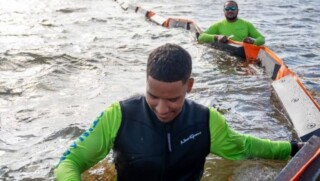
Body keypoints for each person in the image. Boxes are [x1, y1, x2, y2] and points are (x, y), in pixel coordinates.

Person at [54, 43, 302, 180]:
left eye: (173, 99)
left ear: (189, 86)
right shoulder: (117, 116)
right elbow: (70, 162)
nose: (162, 109)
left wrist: (291, 149)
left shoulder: (205, 121)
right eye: (153, 96)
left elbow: (244, 147)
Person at [198, 1, 265, 46]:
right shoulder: (218, 25)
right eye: (227, 9)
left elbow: (262, 38)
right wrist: (216, 37)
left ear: (238, 11)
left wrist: (253, 42)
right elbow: (201, 37)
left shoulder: (247, 24)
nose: (230, 11)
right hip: (225, 53)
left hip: (243, 53)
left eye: (233, 8)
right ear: (224, 11)